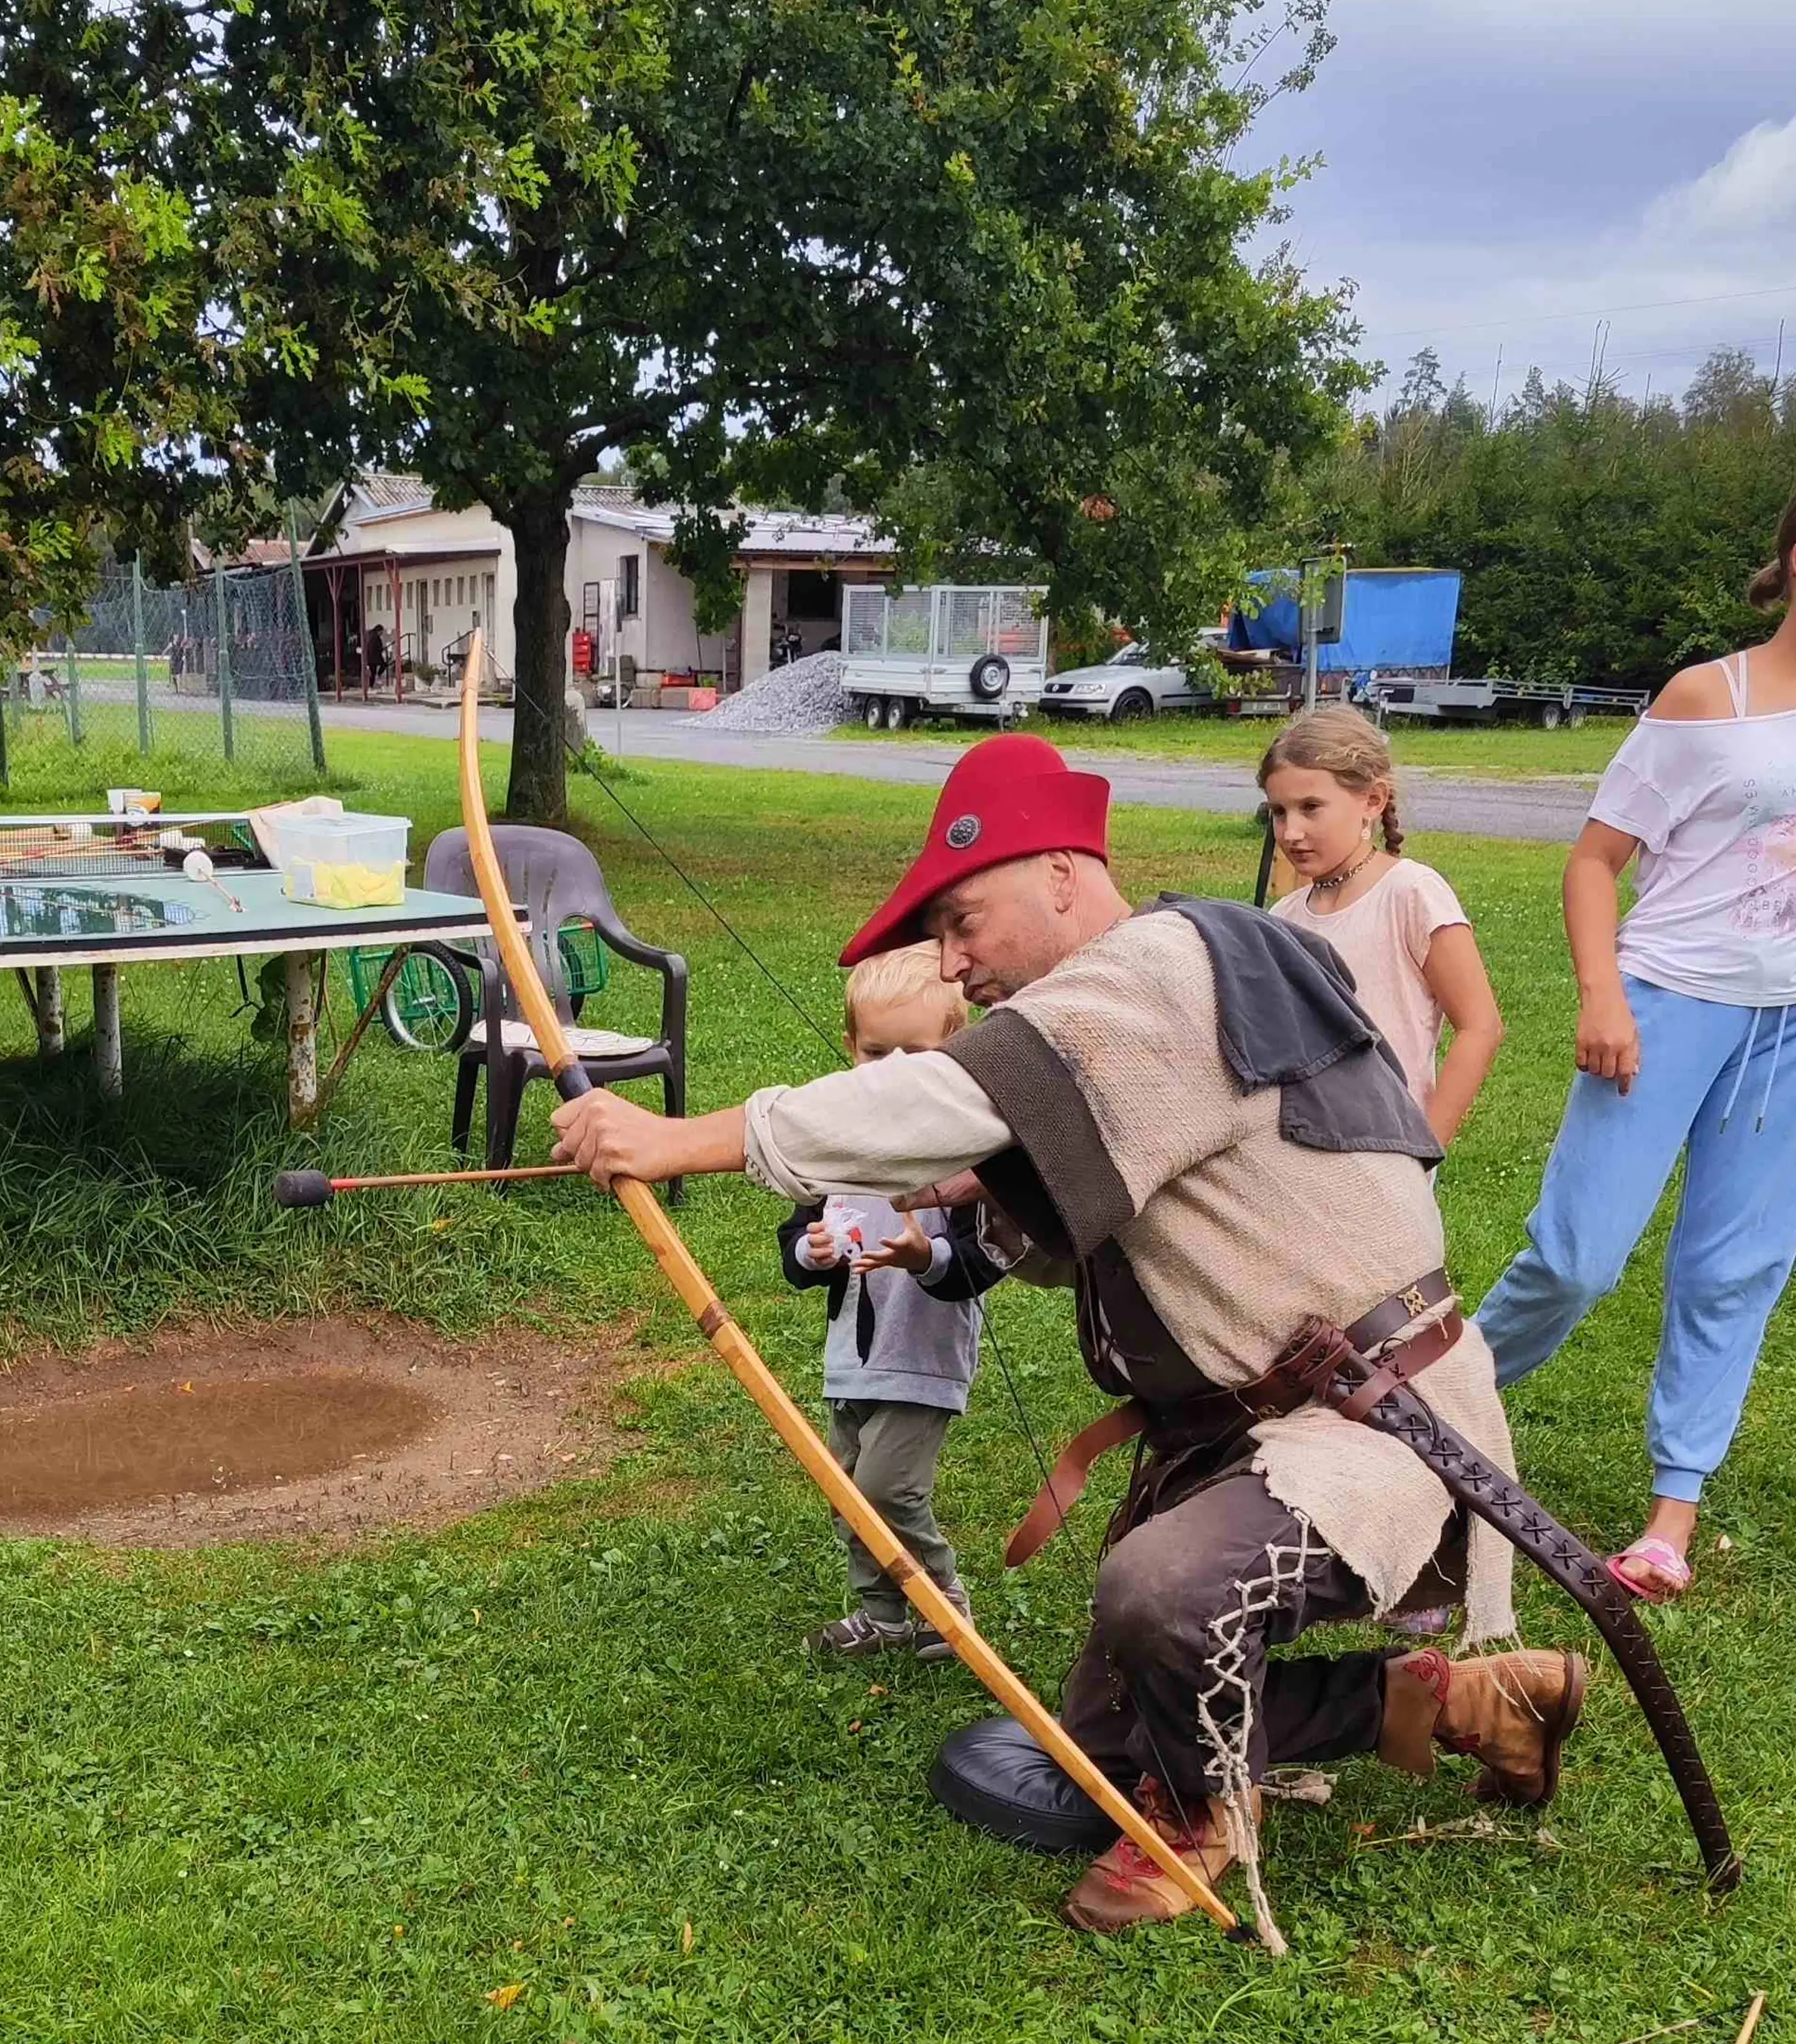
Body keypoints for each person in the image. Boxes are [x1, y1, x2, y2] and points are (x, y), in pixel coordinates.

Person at [549, 735, 1585, 1940]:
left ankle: (1206, 1820)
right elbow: (1056, 1189)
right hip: (1269, 1423)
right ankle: (1456, 1706)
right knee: (1102, 1738)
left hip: (1370, 1421)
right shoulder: (1145, 989)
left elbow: (954, 1096)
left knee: (1161, 1597)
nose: (953, 961)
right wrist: (948, 1199)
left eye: (963, 920)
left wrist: (681, 1138)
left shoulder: (1153, 967)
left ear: (1056, 876)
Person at [1473, 454, 1796, 1600]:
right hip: (1666, 1006)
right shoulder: (1705, 699)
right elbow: (1597, 864)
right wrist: (1602, 993)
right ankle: (1422, 1407)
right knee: (1579, 1254)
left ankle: (1671, 1512)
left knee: (1737, 1265)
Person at [776, 945, 1005, 1659]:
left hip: (923, 1358)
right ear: (850, 1048)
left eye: (917, 1051)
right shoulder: (840, 1141)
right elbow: (799, 1237)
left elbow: (980, 1261)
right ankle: (884, 1616)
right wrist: (808, 1253)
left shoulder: (960, 1149)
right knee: (852, 1494)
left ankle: (945, 1609)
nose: (895, 1070)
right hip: (853, 1357)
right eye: (877, 1051)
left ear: (954, 1047)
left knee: (886, 1487)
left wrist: (923, 1253)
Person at [1258, 712, 1504, 1141]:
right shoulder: (1283, 917)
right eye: (1279, 812)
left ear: (1372, 801)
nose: (1291, 832)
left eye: (1311, 808)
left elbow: (1480, 1026)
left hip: (1388, 1154)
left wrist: (1424, 1145)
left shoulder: (1411, 893)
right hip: (1303, 1155)